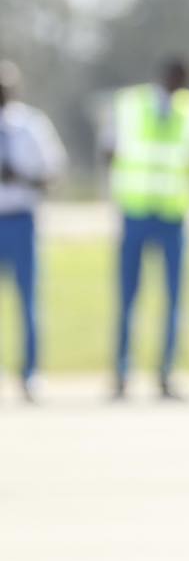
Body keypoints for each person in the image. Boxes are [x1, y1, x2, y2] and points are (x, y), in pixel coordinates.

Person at [107, 56, 189, 399]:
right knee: (127, 296)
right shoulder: (129, 104)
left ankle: (166, 374)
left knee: (174, 298)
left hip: (173, 214)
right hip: (135, 210)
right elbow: (108, 151)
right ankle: (122, 373)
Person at [0, 60, 68, 402]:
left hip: (20, 219)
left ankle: (29, 374)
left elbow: (53, 173)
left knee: (27, 300)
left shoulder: (31, 125)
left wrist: (22, 176)